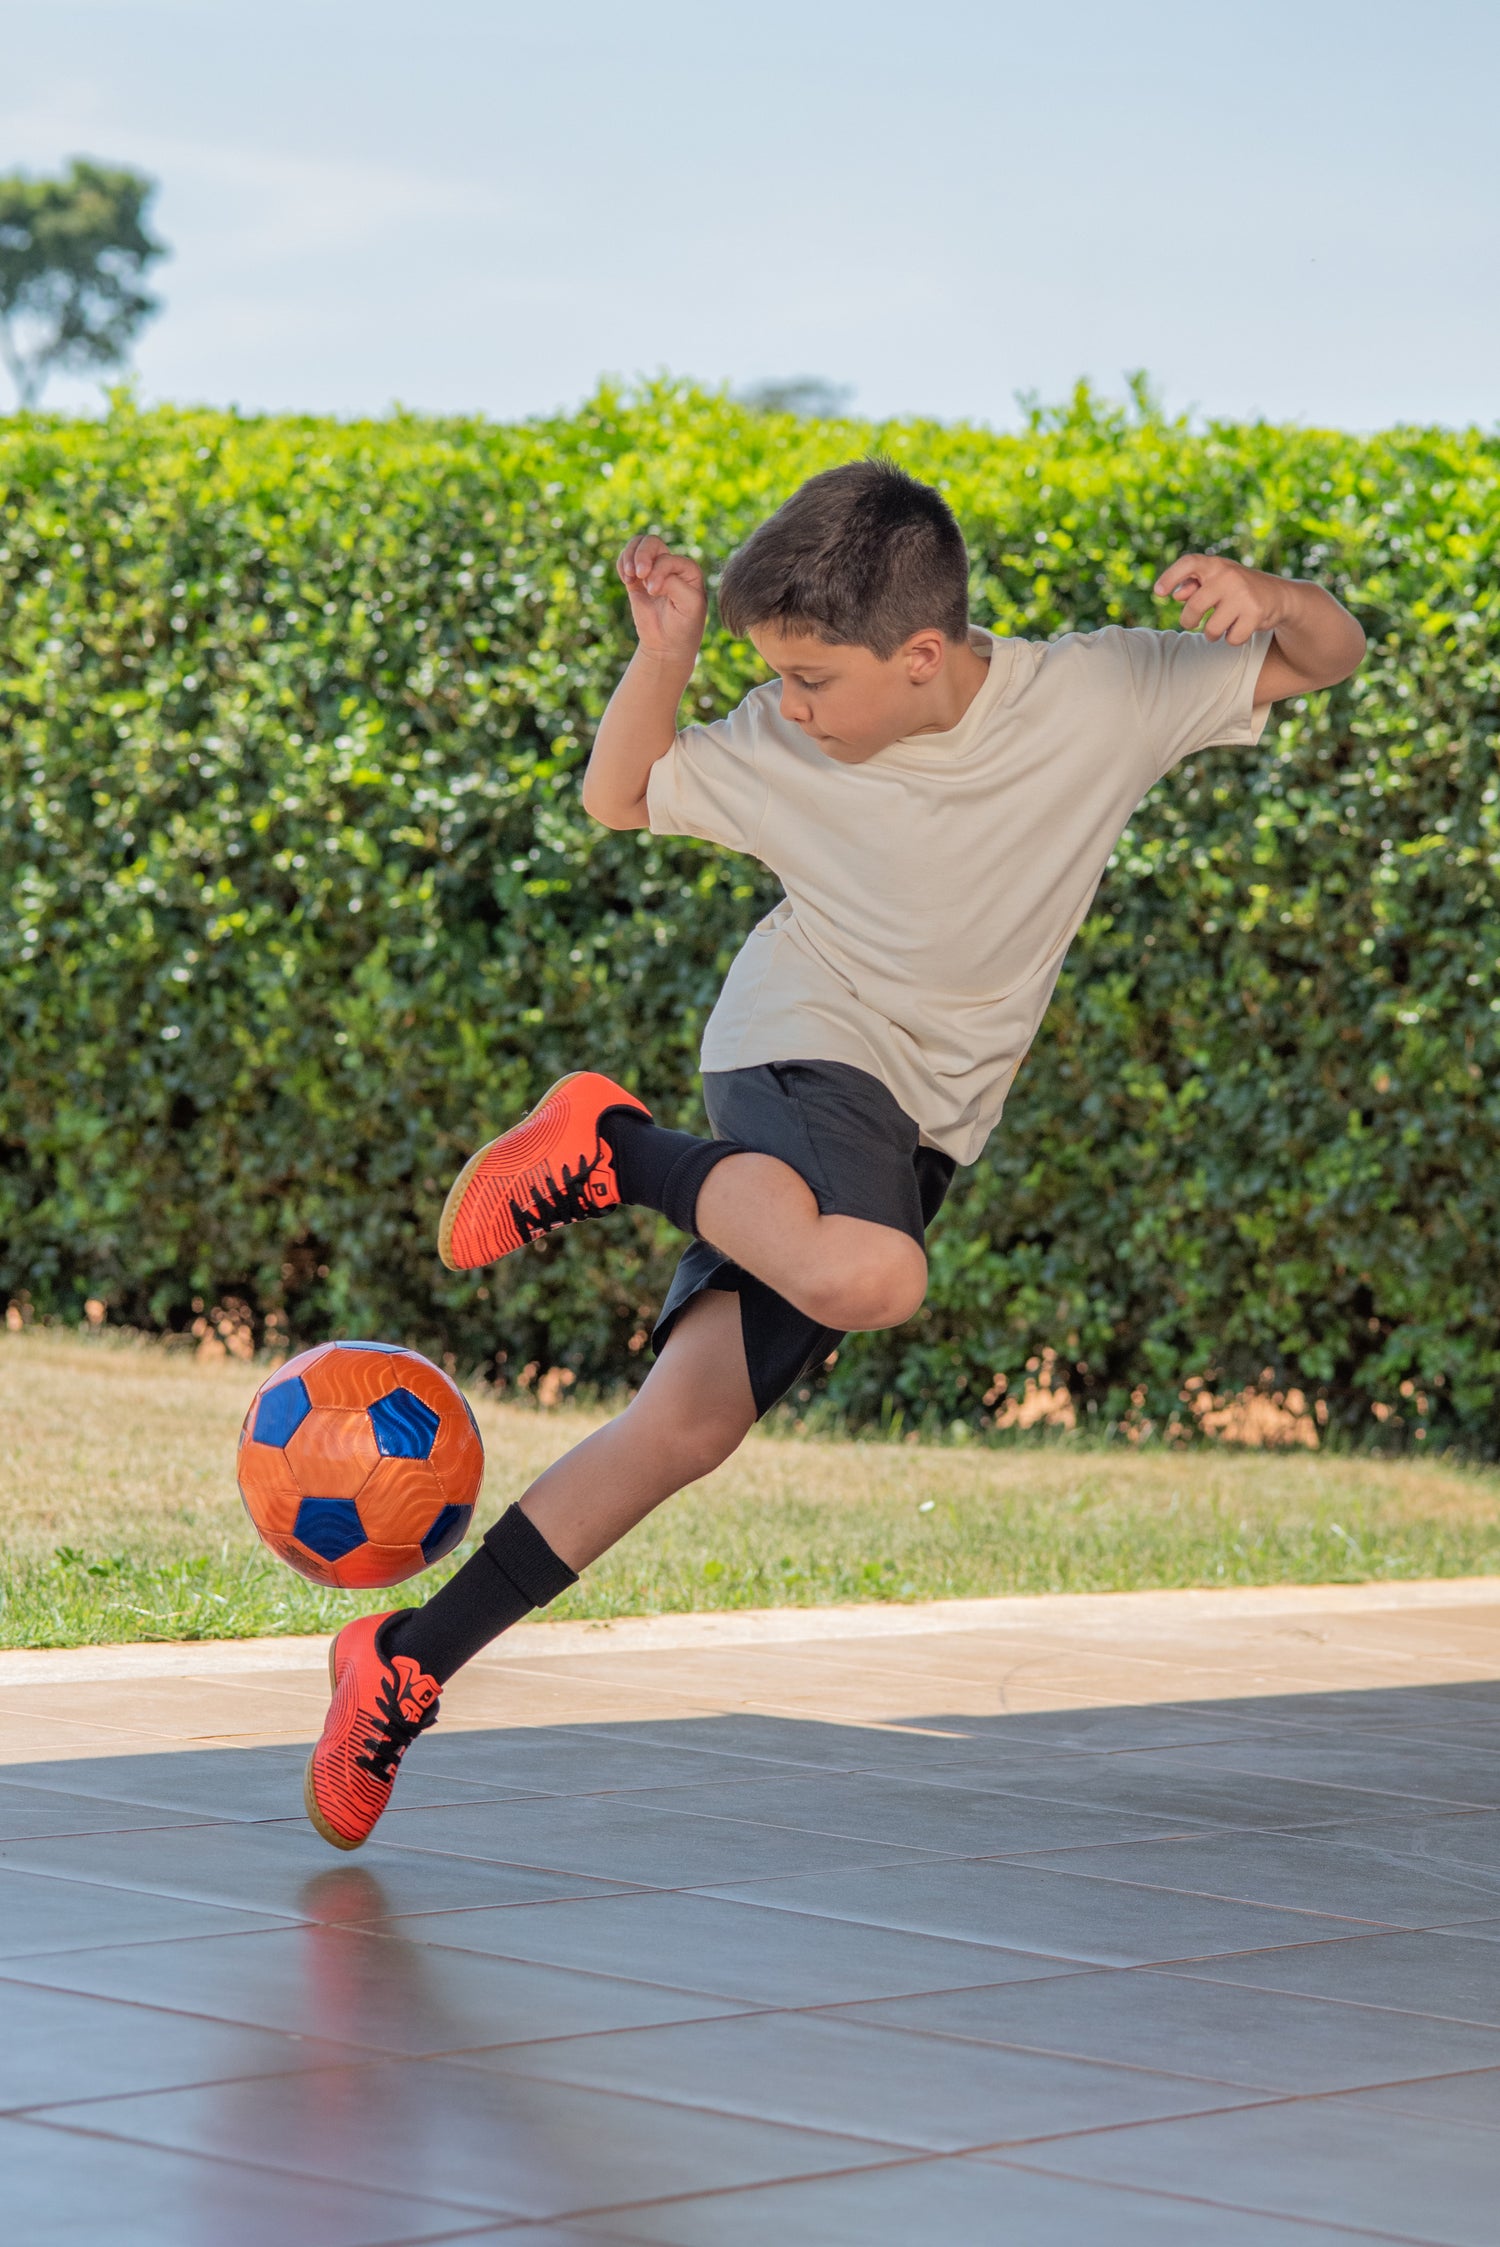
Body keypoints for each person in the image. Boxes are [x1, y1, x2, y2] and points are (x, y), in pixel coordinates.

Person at [303, 459, 1366, 1850]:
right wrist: (666, 659)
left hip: (922, 1119)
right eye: (776, 681)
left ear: (922, 655)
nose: (789, 708)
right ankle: (617, 1147)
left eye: (812, 679)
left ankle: (408, 1661)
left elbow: (1327, 658)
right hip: (801, 1038)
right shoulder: (791, 742)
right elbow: (621, 795)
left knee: (686, 1427)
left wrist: (1273, 597)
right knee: (876, 1278)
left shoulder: (1101, 698)